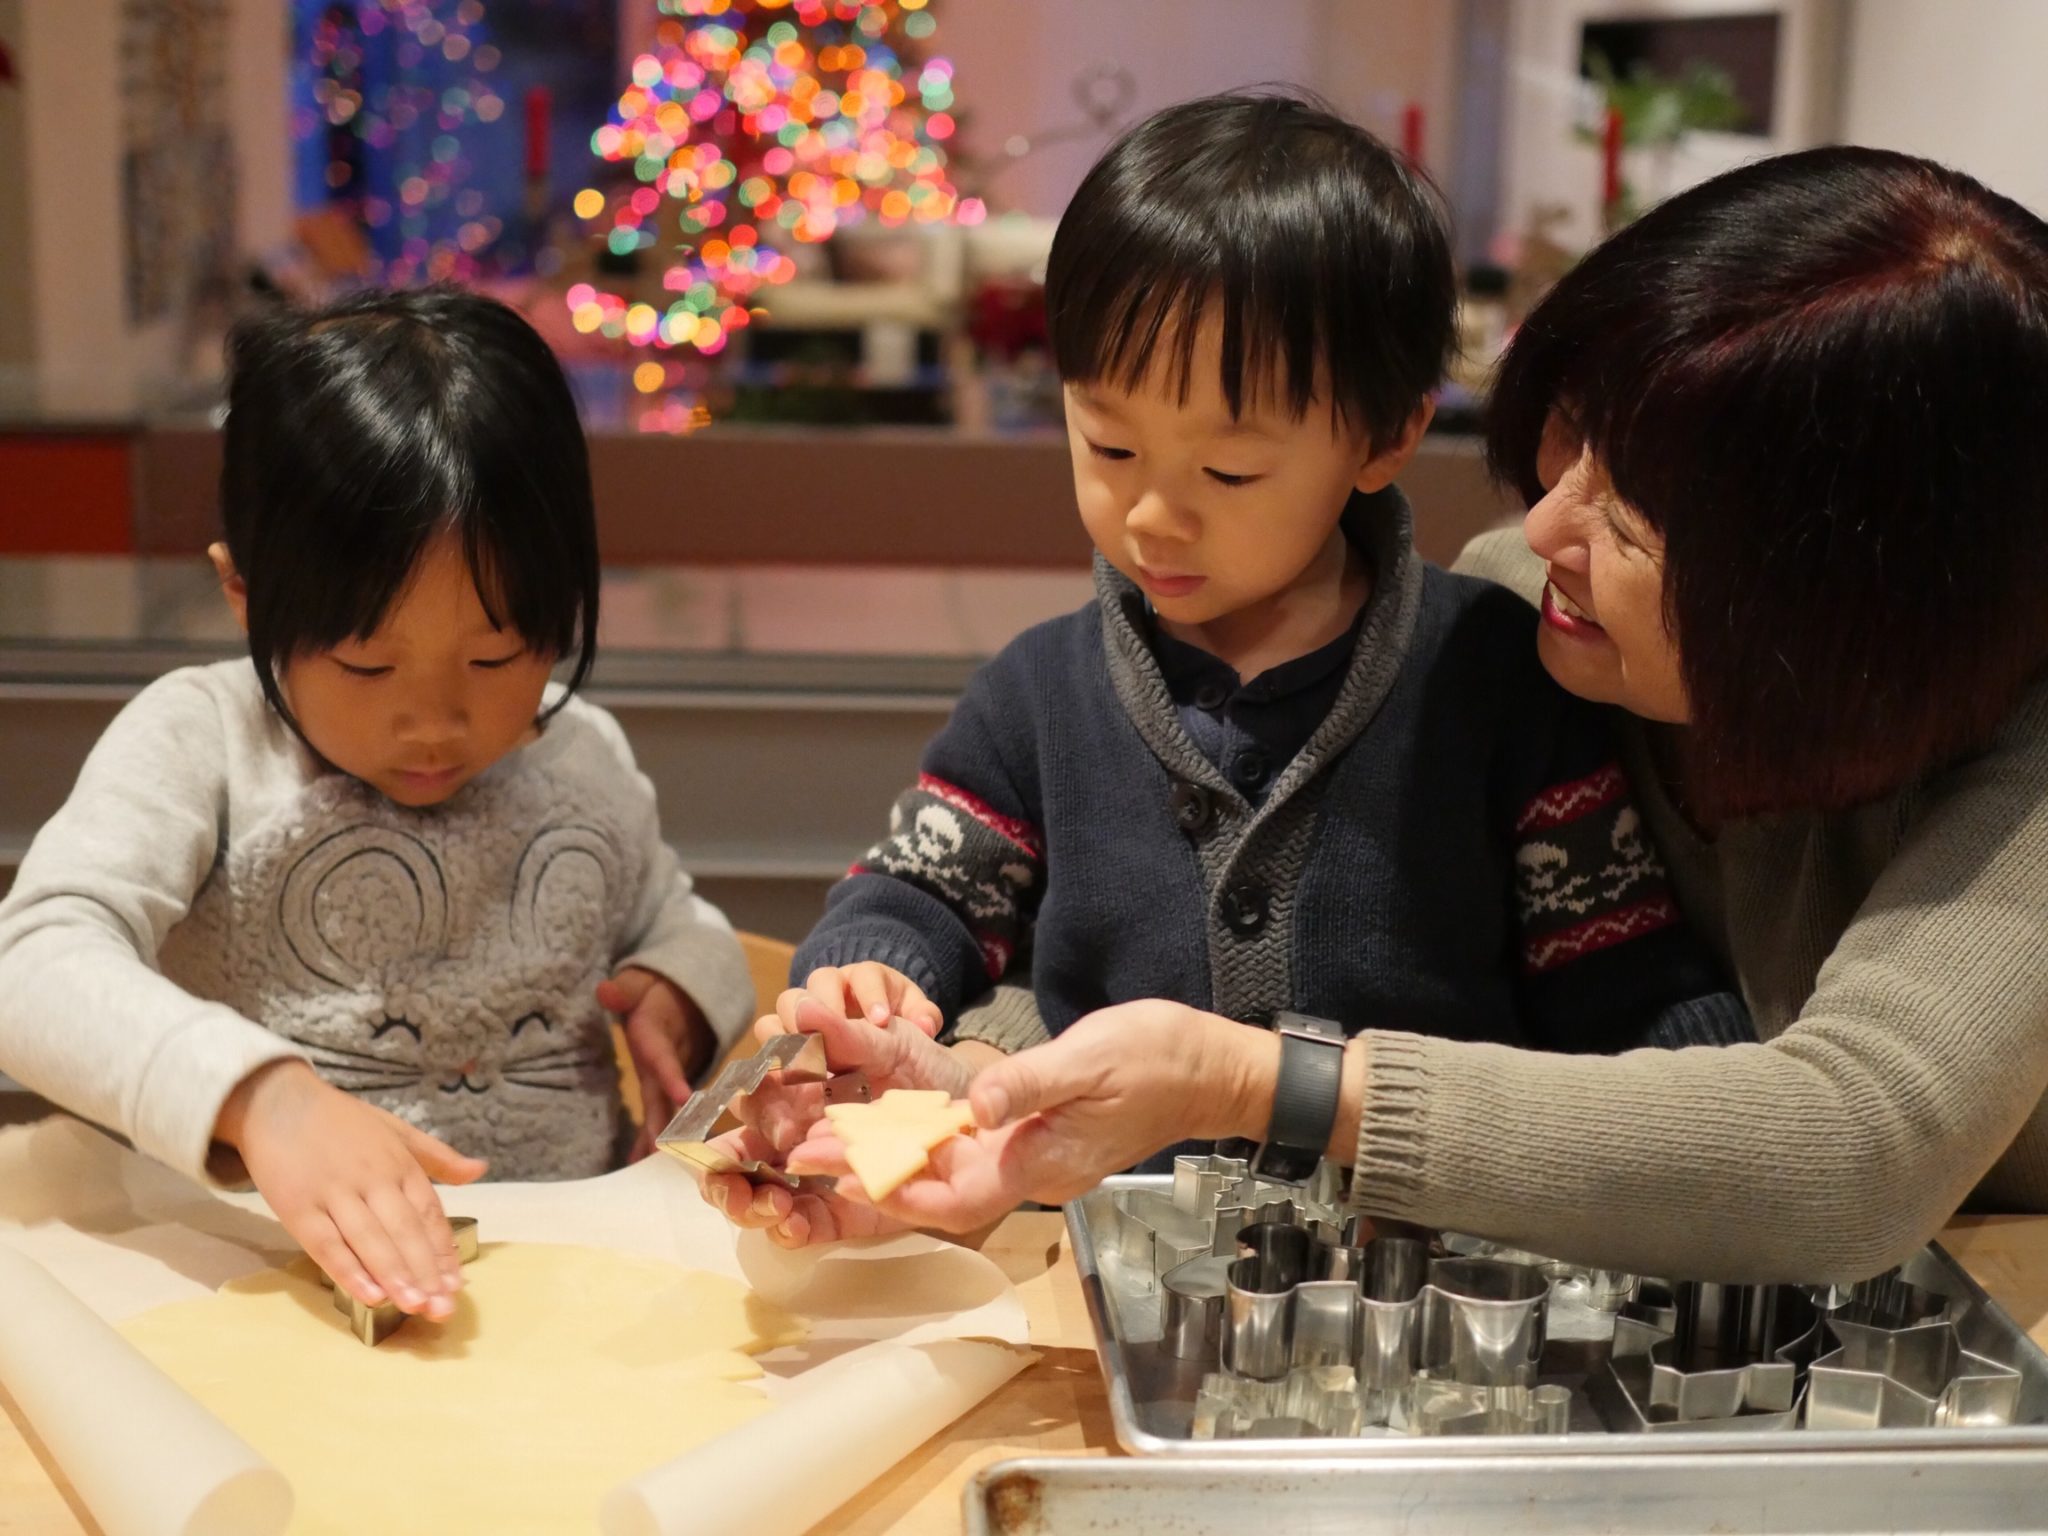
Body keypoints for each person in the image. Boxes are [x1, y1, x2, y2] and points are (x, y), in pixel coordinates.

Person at [780, 145, 2048, 1287]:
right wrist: (960, 1081)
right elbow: (1035, 926)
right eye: (1572, 443)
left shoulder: (2012, 769)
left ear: (1840, 599)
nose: (1542, 524)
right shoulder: (1524, 617)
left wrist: (1253, 1080)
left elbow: (1834, 1146)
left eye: (1632, 519)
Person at [708, 92, 1747, 1246]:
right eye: (1107, 447)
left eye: (1231, 475)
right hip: (1100, 1273)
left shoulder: (1493, 681)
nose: (1151, 515)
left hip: (1428, 1291)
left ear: (1385, 437)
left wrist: (1711, 1136)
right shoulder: (1035, 693)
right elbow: (918, 894)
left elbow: (1629, 995)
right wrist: (870, 979)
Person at [0, 289, 753, 1319]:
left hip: (573, 1278)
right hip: (269, 1290)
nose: (435, 720)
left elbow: (673, 914)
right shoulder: (205, 742)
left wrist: (678, 985)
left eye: (495, 656)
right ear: (244, 595)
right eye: (365, 665)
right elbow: (31, 964)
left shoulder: (583, 756)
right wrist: (258, 1098)